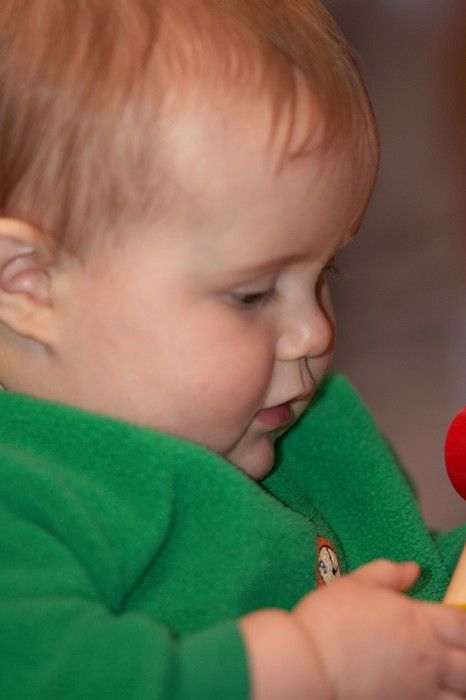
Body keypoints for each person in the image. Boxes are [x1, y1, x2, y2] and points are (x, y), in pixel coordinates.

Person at [0, 1, 464, 698]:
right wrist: (311, 668)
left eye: (324, 275)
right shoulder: (24, 498)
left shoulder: (313, 435)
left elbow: (418, 606)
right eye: (252, 295)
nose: (316, 334)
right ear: (29, 285)